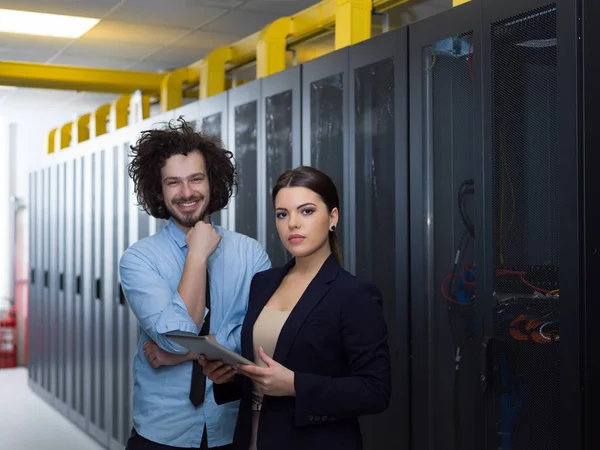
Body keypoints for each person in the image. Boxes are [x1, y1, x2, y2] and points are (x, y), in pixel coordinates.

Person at [200, 166, 391, 450]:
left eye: (307, 211)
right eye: (282, 214)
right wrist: (226, 377)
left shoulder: (354, 294)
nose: (293, 223)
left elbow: (375, 391)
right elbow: (262, 375)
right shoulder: (263, 283)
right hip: (251, 439)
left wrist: (295, 385)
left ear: (333, 218)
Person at [119, 117, 271, 450]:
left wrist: (183, 356)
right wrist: (197, 255)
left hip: (231, 426)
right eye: (173, 182)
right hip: (162, 431)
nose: (186, 192)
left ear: (212, 182)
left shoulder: (251, 253)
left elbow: (260, 341)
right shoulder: (139, 259)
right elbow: (175, 338)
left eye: (196, 179)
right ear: (158, 189)